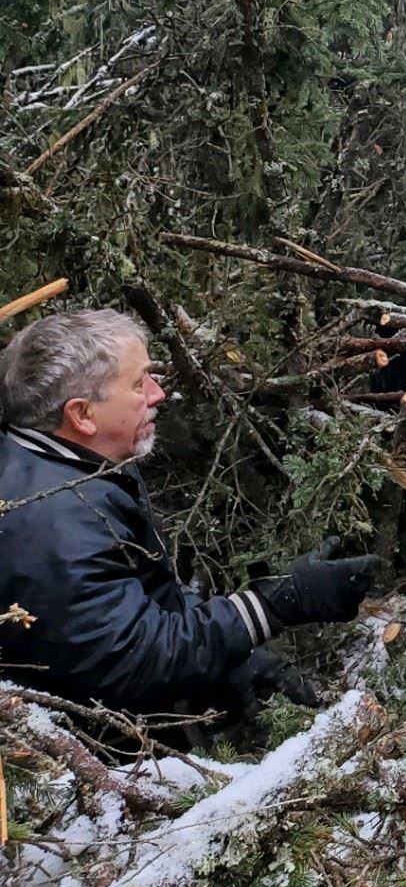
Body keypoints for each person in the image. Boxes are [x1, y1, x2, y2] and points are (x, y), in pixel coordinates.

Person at [0, 308, 378, 720]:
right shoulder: (54, 522)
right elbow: (132, 663)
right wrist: (275, 605)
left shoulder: (72, 465)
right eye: (139, 382)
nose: (157, 394)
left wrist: (233, 656)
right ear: (82, 415)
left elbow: (139, 599)